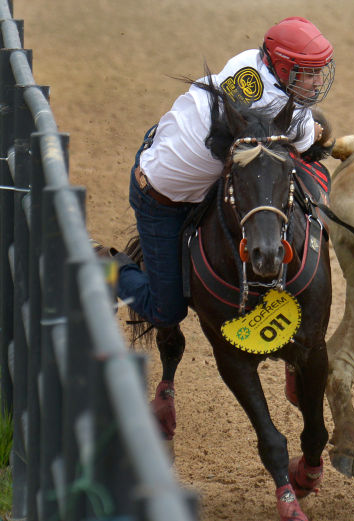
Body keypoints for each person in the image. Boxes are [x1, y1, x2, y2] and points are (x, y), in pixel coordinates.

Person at [95, 16, 335, 329]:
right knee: (164, 312)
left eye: (319, 71)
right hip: (161, 196)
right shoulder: (282, 111)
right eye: (310, 73)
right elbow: (303, 141)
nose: (318, 82)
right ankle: (102, 267)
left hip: (171, 153)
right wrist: (315, 133)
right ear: (285, 70)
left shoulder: (249, 62)